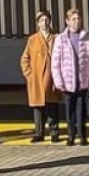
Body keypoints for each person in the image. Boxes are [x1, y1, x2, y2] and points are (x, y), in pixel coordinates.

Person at [51, 7, 89, 146]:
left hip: (82, 81)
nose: (76, 22)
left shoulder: (87, 38)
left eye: (78, 19)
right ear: (67, 21)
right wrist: (59, 81)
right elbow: (56, 62)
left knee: (81, 110)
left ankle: (83, 136)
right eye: (73, 19)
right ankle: (71, 135)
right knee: (69, 110)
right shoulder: (61, 39)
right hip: (67, 81)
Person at [20, 11, 59, 143]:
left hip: (52, 77)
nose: (44, 23)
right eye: (41, 20)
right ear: (38, 23)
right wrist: (29, 74)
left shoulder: (56, 37)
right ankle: (39, 132)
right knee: (38, 106)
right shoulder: (33, 39)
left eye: (46, 20)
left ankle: (54, 131)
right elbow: (25, 58)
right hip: (36, 78)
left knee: (52, 105)